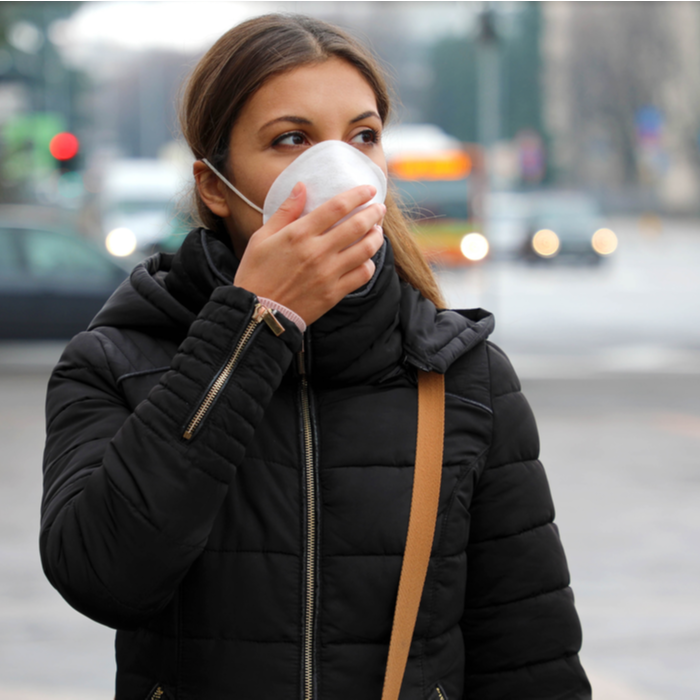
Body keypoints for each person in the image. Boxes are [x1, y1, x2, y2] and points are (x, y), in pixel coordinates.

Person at [40, 13, 591, 700]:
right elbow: (105, 577)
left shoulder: (463, 375)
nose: (341, 168)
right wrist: (252, 328)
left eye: (363, 136)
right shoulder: (116, 360)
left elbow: (530, 661)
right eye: (292, 139)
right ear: (216, 186)